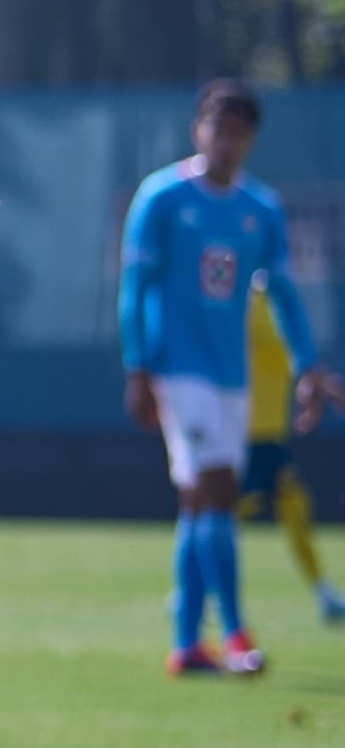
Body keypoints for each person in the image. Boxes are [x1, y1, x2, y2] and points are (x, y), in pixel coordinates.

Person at [123, 82, 337, 676]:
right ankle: (238, 634)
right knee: (219, 489)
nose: (227, 140)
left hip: (229, 373)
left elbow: (285, 294)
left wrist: (309, 365)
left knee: (198, 504)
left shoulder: (260, 209)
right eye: (218, 127)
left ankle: (187, 643)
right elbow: (134, 289)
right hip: (177, 368)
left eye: (239, 130)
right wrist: (136, 366)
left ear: (251, 139)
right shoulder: (162, 197)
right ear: (199, 130)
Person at [236, 280, 345, 626]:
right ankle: (194, 593)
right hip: (243, 436)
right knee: (219, 517)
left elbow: (294, 358)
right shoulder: (248, 304)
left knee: (295, 507)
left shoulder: (280, 304)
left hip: (270, 438)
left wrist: (314, 382)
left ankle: (324, 592)